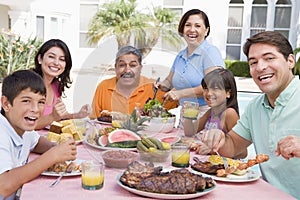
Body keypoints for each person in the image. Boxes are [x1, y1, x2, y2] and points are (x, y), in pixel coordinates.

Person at [200, 31, 300, 198]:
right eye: (253, 62)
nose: (260, 67)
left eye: (269, 58)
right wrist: (219, 138)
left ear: (290, 61)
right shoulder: (255, 107)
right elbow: (233, 147)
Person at [0, 70, 77, 200]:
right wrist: (52, 156)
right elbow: (4, 185)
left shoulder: (22, 128)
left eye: (41, 102)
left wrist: (55, 147)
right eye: (26, 101)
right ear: (6, 104)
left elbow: (36, 143)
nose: (35, 109)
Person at [155, 9, 225, 117]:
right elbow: (169, 80)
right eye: (188, 25)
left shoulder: (211, 52)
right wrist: (161, 85)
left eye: (197, 26)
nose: (192, 30)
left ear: (206, 31)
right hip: (186, 111)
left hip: (207, 113)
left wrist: (179, 94)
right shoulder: (180, 55)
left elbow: (212, 86)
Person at [90, 45, 176, 118]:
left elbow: (184, 99)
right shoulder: (104, 87)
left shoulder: (155, 88)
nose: (127, 70)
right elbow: (93, 121)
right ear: (115, 67)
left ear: (140, 68)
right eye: (122, 65)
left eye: (133, 65)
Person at [183, 68, 246, 158]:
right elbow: (190, 131)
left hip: (227, 167)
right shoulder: (211, 112)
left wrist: (213, 150)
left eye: (215, 89)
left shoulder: (229, 114)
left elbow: (243, 152)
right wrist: (188, 114)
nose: (208, 93)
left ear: (228, 93)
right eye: (206, 88)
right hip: (211, 163)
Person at [33, 39, 91, 129]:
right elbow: (22, 123)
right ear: (40, 59)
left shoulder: (56, 85)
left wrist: (78, 115)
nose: (56, 63)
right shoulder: (28, 84)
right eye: (51, 57)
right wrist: (52, 117)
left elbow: (59, 115)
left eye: (62, 59)